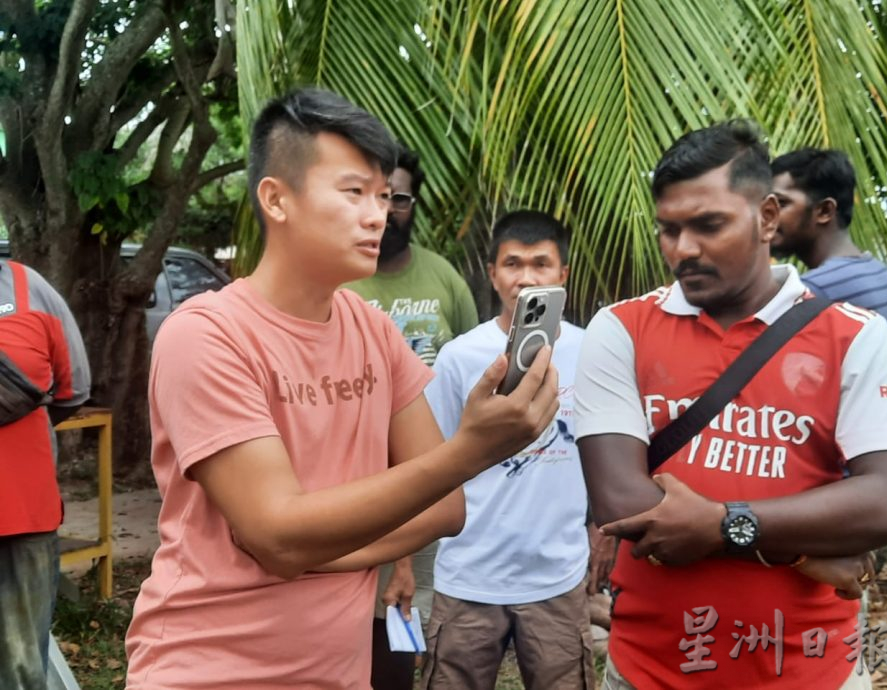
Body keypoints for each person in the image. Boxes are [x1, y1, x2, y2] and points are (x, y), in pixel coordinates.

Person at [124, 87, 560, 690]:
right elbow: (278, 531)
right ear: (276, 199)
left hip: (338, 672)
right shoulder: (204, 334)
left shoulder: (373, 332)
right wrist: (470, 451)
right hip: (210, 668)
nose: (377, 214)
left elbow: (446, 507)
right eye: (353, 192)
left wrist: (307, 548)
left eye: (383, 196)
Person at [574, 120, 887, 690]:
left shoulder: (855, 336)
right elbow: (622, 502)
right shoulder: (621, 330)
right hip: (651, 669)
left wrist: (719, 524)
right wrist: (798, 551)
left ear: (766, 218)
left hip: (813, 670)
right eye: (669, 229)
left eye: (709, 225)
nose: (683, 250)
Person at [421, 211, 600, 690]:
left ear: (563, 274)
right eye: (513, 264)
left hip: (557, 576)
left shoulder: (593, 352)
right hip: (468, 572)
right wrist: (403, 563)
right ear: (493, 273)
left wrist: (603, 537)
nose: (526, 278)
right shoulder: (461, 356)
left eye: (541, 264)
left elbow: (603, 458)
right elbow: (428, 465)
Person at [345, 147, 478, 689]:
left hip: (424, 485)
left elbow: (473, 366)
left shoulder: (444, 279)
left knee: (401, 630)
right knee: (345, 622)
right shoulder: (342, 280)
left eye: (396, 197)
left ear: (411, 204)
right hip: (353, 485)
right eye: (372, 196)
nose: (386, 210)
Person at [0, 259, 91, 690]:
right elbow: (72, 392)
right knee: (19, 663)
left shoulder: (30, 286)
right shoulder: (27, 285)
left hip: (24, 511)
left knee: (21, 662)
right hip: (24, 500)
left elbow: (75, 388)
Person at [771, 147, 887, 383]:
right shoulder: (882, 275)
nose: (766, 216)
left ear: (825, 211)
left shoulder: (814, 292)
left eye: (781, 204)